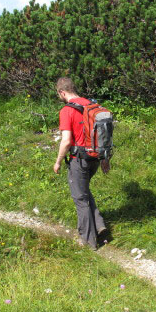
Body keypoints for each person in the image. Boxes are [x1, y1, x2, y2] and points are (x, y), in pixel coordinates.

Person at [53, 77, 107, 250]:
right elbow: (103, 135)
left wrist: (58, 162)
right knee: (83, 190)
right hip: (95, 158)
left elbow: (67, 140)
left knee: (80, 198)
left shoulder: (67, 111)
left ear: (62, 92)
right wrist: (106, 159)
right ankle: (99, 226)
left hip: (79, 160)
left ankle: (88, 241)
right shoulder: (92, 105)